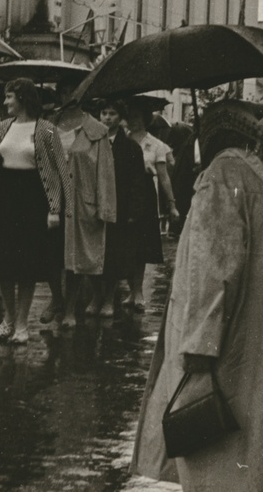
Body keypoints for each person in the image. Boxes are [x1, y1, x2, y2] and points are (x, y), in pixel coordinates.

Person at [131, 100, 263, 492]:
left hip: (220, 357)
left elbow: (212, 272)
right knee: (245, 481)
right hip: (259, 351)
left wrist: (198, 348)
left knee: (219, 475)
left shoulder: (224, 175)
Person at [0, 78, 70, 344]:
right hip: (4, 199)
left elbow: (59, 172)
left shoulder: (47, 130)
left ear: (23, 99)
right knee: (2, 263)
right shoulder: (2, 128)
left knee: (27, 265)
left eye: (9, 97)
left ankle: (21, 324)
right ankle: (8, 316)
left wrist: (55, 209)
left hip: (33, 200)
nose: (5, 102)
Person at [46, 83, 117, 328]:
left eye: (73, 91)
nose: (68, 95)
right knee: (49, 255)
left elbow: (105, 171)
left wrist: (105, 207)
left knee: (75, 258)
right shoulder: (49, 124)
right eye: (64, 90)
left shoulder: (97, 131)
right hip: (52, 197)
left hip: (80, 199)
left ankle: (69, 309)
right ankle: (56, 298)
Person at [121, 97, 180, 313]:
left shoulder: (155, 144)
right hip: (123, 194)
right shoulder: (120, 140)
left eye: (137, 118)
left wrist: (172, 205)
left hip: (145, 195)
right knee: (125, 245)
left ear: (145, 120)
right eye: (130, 117)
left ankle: (138, 291)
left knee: (140, 245)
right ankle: (130, 290)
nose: (133, 121)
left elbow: (164, 177)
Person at [96, 99, 148, 320]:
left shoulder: (130, 147)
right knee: (96, 253)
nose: (107, 118)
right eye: (104, 113)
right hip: (96, 203)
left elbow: (138, 181)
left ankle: (109, 299)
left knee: (114, 255)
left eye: (112, 114)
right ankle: (96, 296)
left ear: (120, 118)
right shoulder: (94, 142)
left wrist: (134, 210)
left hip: (120, 205)